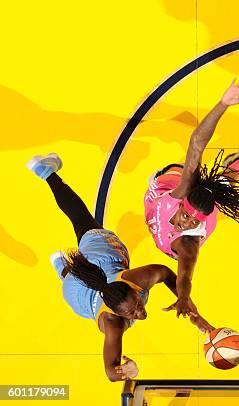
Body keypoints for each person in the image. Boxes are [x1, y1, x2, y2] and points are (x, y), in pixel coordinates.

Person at [27, 153, 213, 381]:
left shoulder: (136, 283)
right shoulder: (112, 324)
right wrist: (127, 372)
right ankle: (64, 268)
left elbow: (166, 273)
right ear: (116, 313)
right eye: (132, 312)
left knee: (80, 218)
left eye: (136, 304)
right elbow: (110, 372)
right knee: (74, 271)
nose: (139, 312)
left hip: (100, 258)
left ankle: (46, 172)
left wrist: (190, 307)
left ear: (134, 288)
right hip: (76, 293)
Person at [144, 76, 239, 318]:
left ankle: (234, 168)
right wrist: (223, 104)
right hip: (168, 182)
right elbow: (197, 142)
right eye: (186, 216)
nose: (187, 224)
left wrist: (183, 298)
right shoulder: (181, 191)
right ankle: (238, 164)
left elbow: (185, 275)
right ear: (181, 204)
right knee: (218, 179)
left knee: (220, 187)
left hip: (203, 210)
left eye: (193, 223)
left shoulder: (188, 245)